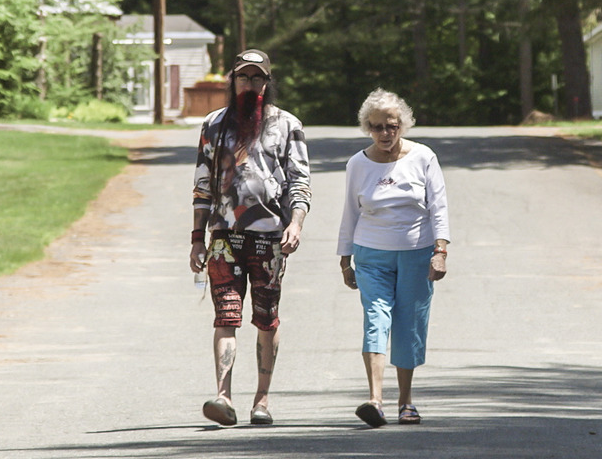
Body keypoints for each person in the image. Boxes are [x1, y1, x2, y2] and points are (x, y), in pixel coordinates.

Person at [190, 49, 312, 427]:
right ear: (233, 81)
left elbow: (300, 180)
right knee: (225, 316)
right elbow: (201, 183)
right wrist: (197, 237)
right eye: (243, 77)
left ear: (267, 83)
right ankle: (223, 396)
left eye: (257, 78)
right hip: (224, 237)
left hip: (269, 238)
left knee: (266, 318)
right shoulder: (214, 124)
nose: (250, 84)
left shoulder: (287, 125)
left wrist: (296, 223)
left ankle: (262, 400)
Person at [337, 88, 450, 428]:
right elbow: (349, 213)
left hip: (417, 253)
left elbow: (439, 208)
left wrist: (440, 251)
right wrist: (345, 259)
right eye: (376, 127)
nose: (384, 134)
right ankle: (375, 399)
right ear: (366, 128)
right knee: (376, 318)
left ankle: (406, 402)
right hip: (371, 254)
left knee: (409, 324)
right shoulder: (357, 164)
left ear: (403, 124)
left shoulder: (423, 157)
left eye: (391, 126)